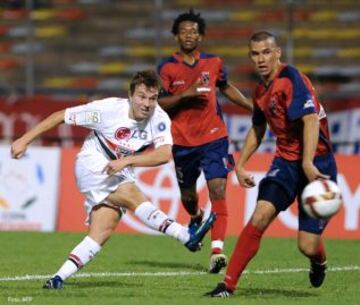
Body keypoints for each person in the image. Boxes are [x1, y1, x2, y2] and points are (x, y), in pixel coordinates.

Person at [11, 70, 215, 289]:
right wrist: (24, 140)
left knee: (102, 231)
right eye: (141, 96)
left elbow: (164, 154)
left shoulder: (159, 118)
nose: (146, 103)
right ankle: (185, 236)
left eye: (152, 98)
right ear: (130, 95)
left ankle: (58, 278)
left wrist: (126, 163)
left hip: (118, 168)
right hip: (92, 162)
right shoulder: (107, 110)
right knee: (132, 195)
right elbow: (61, 116)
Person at [205, 31, 338, 297]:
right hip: (286, 164)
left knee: (307, 246)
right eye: (255, 54)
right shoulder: (260, 92)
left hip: (317, 165)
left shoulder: (291, 80)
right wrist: (241, 164)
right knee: (260, 215)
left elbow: (310, 120)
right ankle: (227, 286)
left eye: (266, 52)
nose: (261, 59)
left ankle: (319, 261)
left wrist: (309, 163)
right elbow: (258, 127)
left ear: (277, 53)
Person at [157, 9, 252, 274]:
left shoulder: (215, 62)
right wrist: (186, 95)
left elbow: (226, 86)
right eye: (184, 31)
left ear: (201, 36)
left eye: (194, 31)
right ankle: (196, 217)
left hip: (214, 137)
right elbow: (159, 102)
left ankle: (217, 252)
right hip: (182, 141)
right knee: (188, 197)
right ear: (176, 35)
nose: (189, 35)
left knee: (219, 190)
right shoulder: (166, 67)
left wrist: (250, 106)